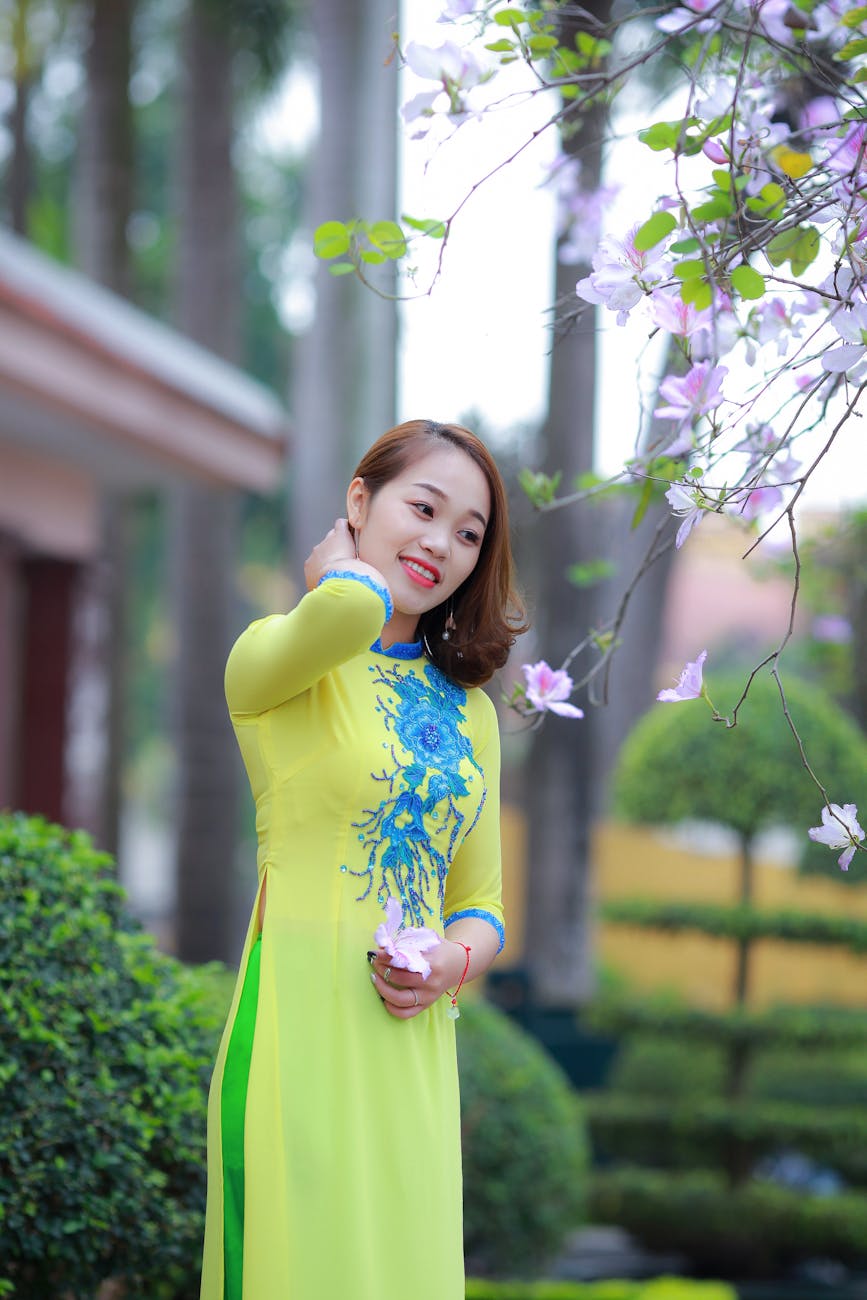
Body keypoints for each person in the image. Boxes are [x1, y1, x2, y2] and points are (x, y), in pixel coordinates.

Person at [199, 418, 527, 1300]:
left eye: (468, 533)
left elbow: (483, 904)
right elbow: (348, 612)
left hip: (409, 1051)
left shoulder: (470, 713)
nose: (441, 544)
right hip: (296, 1033)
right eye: (422, 509)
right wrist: (339, 574)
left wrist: (451, 963)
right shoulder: (275, 662)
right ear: (358, 500)